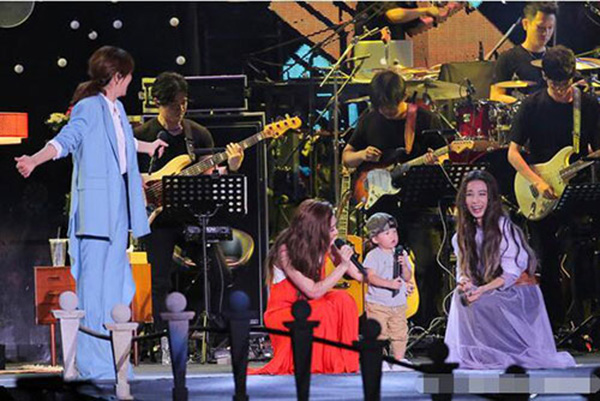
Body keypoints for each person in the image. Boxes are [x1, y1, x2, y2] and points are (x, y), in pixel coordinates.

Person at [15, 46, 168, 380]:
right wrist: (34, 160)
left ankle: (113, 361)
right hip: (96, 215)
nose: (131, 81)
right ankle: (91, 363)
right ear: (117, 77)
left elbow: (124, 141)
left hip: (117, 213)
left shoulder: (117, 108)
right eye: (128, 75)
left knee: (116, 289)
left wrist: (149, 147)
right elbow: (66, 140)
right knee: (94, 292)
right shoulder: (88, 107)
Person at [134, 72, 244, 335]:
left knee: (219, 273)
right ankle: (161, 337)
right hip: (157, 220)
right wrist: (141, 186)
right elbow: (125, 175)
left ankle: (196, 326)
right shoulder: (142, 135)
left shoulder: (198, 135)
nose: (180, 109)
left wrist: (231, 167)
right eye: (174, 105)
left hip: (192, 217)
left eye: (184, 103)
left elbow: (211, 179)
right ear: (158, 102)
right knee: (158, 280)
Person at [342, 68, 445, 330]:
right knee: (381, 268)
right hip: (381, 207)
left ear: (403, 97)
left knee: (427, 264)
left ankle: (426, 323)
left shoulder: (424, 118)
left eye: (391, 107)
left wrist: (436, 160)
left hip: (418, 203)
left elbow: (445, 155)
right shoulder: (369, 120)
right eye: (382, 108)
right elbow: (347, 157)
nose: (387, 112)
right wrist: (362, 154)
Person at [507, 45, 600, 331]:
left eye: (565, 83)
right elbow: (513, 153)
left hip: (577, 187)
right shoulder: (531, 106)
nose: (561, 90)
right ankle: (553, 325)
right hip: (540, 190)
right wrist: (536, 180)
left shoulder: (588, 105)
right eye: (554, 84)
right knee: (546, 258)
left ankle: (584, 319)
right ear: (545, 77)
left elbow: (595, 151)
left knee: (584, 250)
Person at [444, 170, 575, 369]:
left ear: (491, 198)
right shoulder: (461, 235)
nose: (476, 201)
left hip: (515, 291)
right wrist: (465, 283)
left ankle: (500, 353)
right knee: (460, 297)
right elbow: (463, 269)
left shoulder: (503, 227)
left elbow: (511, 273)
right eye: (470, 194)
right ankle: (480, 353)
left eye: (482, 194)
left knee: (483, 299)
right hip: (487, 287)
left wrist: (482, 290)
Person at [250, 199, 362, 374]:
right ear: (316, 229)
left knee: (344, 300)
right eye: (331, 229)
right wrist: (342, 266)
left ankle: (344, 363)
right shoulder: (285, 251)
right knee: (322, 309)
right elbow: (313, 291)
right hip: (285, 311)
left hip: (310, 304)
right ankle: (321, 365)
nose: (335, 232)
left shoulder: (324, 244)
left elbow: (358, 275)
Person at [363, 213, 413, 370]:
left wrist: (404, 265)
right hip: (378, 304)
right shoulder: (373, 256)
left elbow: (407, 276)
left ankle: (399, 359)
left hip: (398, 303)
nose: (393, 236)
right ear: (375, 239)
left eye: (394, 231)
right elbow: (370, 277)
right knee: (378, 332)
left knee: (400, 333)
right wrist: (389, 284)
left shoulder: (401, 253)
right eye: (387, 233)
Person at [490, 2, 558, 103]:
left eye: (550, 28)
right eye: (540, 27)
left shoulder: (556, 58)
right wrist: (523, 104)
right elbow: (495, 95)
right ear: (525, 24)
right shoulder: (508, 58)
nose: (545, 33)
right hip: (520, 111)